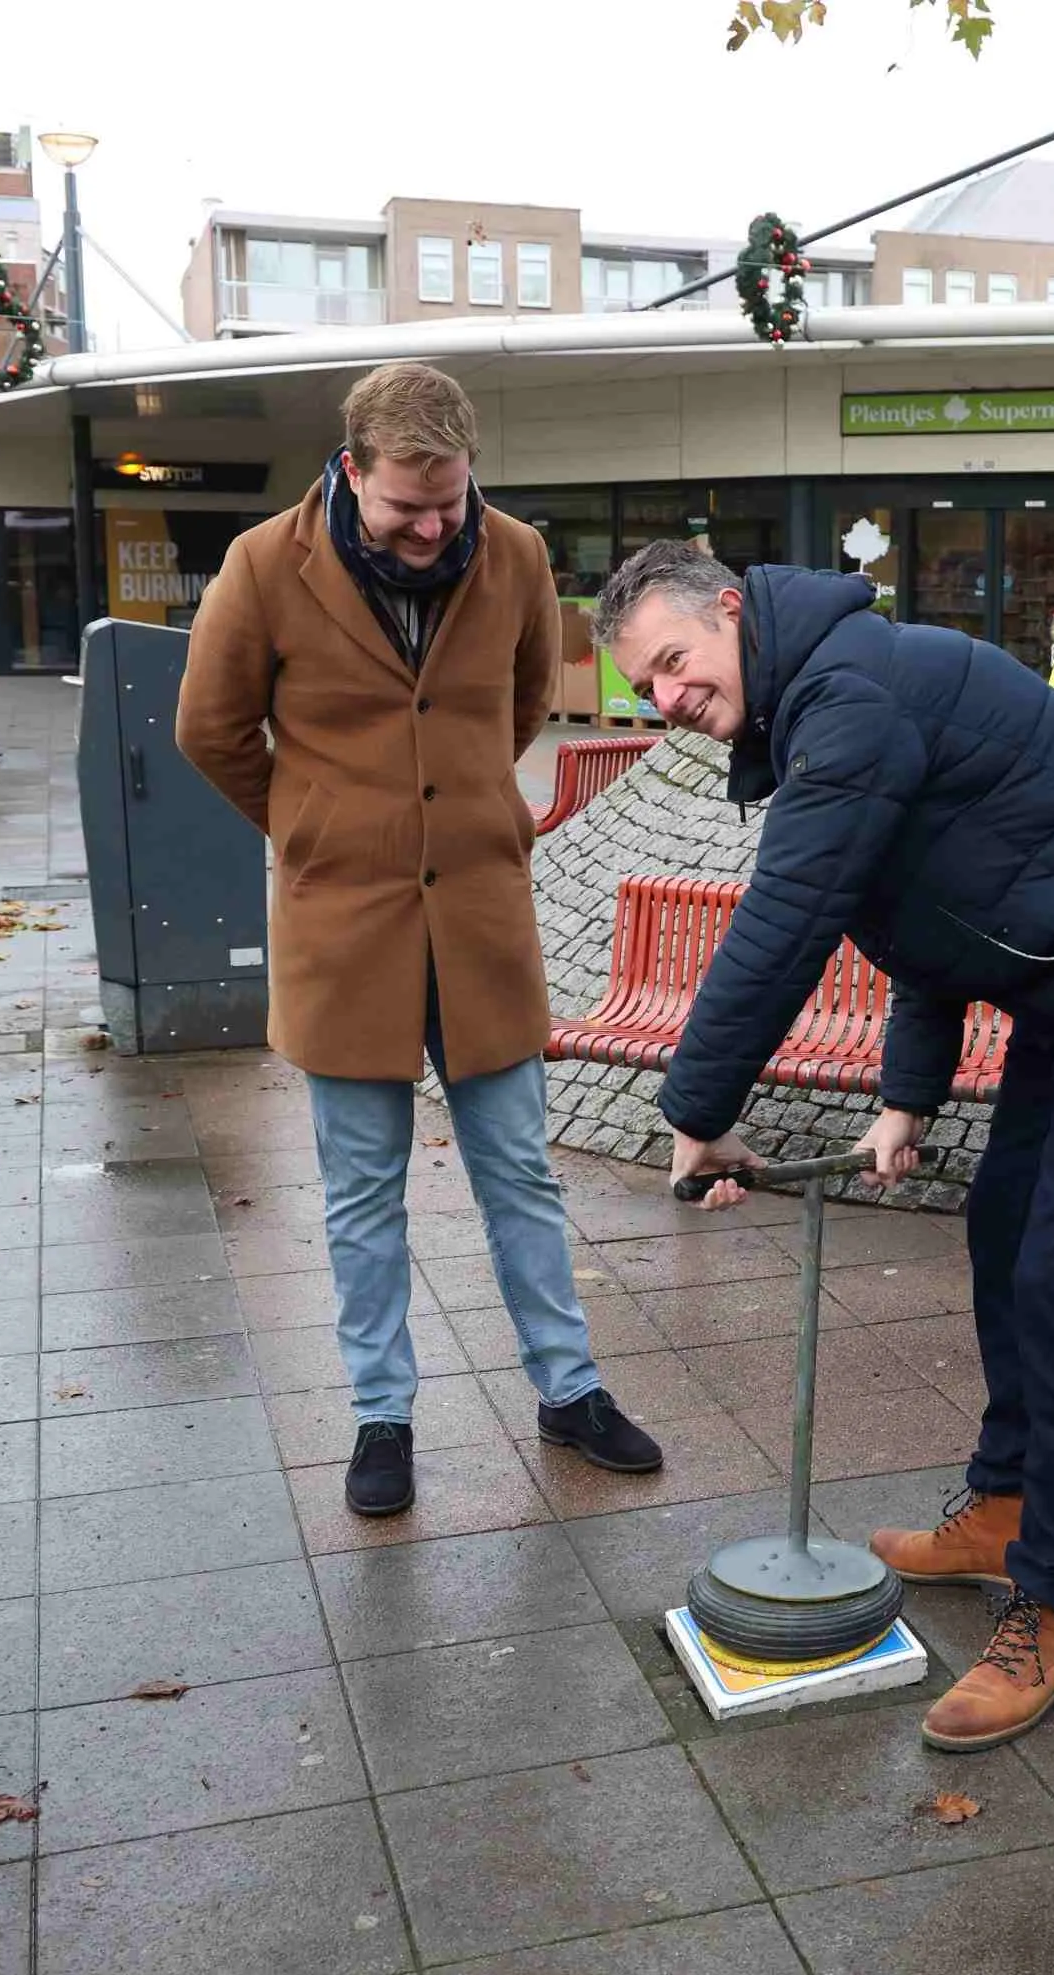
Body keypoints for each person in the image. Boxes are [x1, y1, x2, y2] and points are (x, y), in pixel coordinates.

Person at [595, 540, 1054, 1752]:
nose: (670, 701)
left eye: (677, 664)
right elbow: (925, 905)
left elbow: (788, 915)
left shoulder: (852, 694)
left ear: (733, 612)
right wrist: (908, 1095)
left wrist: (698, 1111)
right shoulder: (829, 694)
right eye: (649, 690)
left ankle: (1053, 1603)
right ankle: (1000, 1505)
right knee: (1003, 1230)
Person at [180, 363, 662, 1516]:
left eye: (451, 499)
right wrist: (312, 824)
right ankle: (381, 1414)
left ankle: (570, 1387)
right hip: (344, 923)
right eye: (408, 504)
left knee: (520, 1173)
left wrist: (460, 804)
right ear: (352, 472)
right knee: (360, 1191)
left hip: (481, 919)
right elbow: (210, 727)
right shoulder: (262, 563)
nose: (435, 524)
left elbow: (524, 698)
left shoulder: (518, 553)